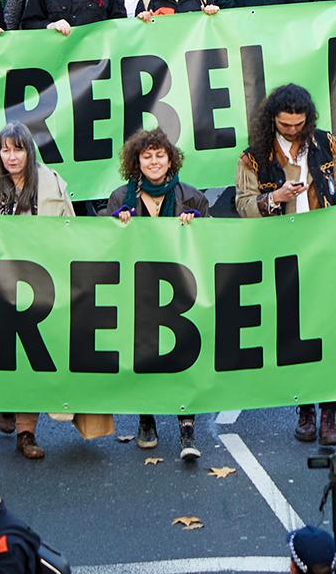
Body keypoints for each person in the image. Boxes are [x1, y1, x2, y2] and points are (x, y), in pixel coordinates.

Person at [235, 84, 336, 446]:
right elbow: (243, 205)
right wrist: (273, 198)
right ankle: (305, 409)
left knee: (329, 333)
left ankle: (328, 415)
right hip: (282, 255)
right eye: (285, 125)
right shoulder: (253, 157)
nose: (292, 130)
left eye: (298, 124)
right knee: (296, 337)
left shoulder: (327, 143)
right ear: (272, 121)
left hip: (325, 251)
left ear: (308, 119)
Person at [0, 123, 77, 460]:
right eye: (5, 150)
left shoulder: (51, 183)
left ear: (29, 151)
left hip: (39, 284)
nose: (12, 156)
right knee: (3, 353)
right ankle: (6, 401)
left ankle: (26, 432)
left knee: (33, 355)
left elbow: (70, 229)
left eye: (18, 149)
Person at [104, 127, 207, 460]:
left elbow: (215, 242)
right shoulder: (120, 198)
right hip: (139, 288)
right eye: (146, 156)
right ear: (136, 161)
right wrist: (116, 227)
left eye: (159, 155)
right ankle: (146, 418)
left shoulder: (191, 196)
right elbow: (104, 245)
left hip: (181, 290)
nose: (153, 161)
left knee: (183, 355)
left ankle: (186, 426)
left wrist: (197, 226)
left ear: (170, 159)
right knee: (143, 353)